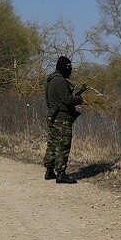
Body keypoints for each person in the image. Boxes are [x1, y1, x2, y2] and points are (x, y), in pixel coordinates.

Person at [43, 56, 83, 184]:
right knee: (63, 145)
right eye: (69, 68)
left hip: (53, 116)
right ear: (65, 67)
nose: (71, 70)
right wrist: (78, 99)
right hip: (62, 119)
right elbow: (67, 100)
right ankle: (61, 174)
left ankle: (50, 171)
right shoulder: (60, 81)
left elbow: (49, 101)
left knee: (52, 144)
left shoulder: (51, 80)